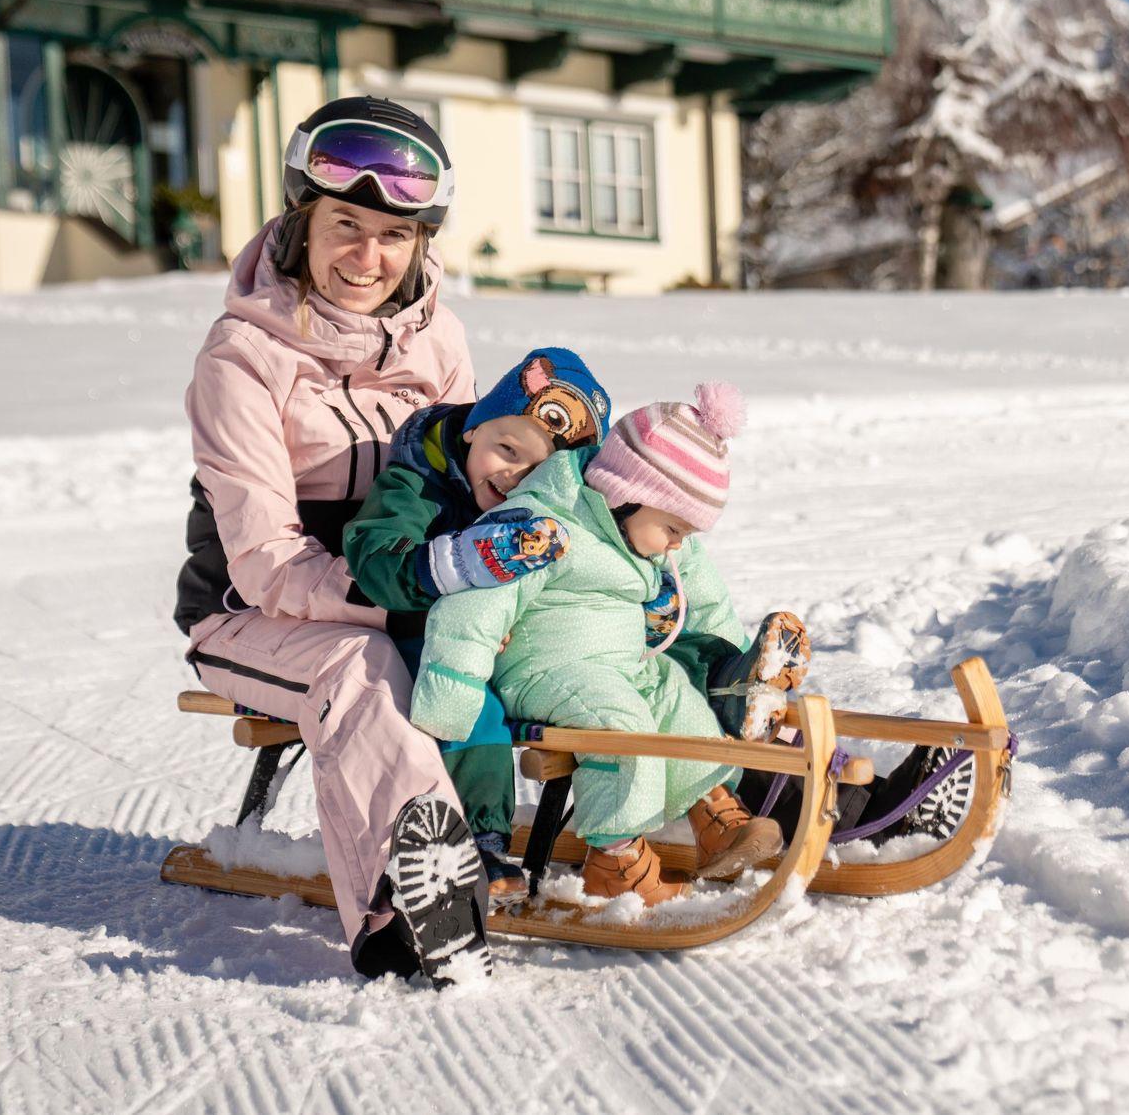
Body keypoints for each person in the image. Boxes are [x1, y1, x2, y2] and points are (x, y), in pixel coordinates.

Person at [174, 96, 491, 986]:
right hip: (250, 616)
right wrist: (399, 602)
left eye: (393, 235)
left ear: (419, 243)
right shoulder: (242, 357)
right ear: (302, 223)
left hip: (401, 594)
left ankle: (695, 807)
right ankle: (407, 906)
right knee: (361, 671)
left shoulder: (440, 343)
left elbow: (470, 483)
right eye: (346, 225)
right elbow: (265, 558)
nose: (367, 256)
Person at [404, 382, 810, 905]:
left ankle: (716, 816)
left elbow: (707, 601)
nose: (677, 543)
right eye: (673, 528)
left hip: (620, 666)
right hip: (543, 672)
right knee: (623, 727)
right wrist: (452, 689)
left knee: (676, 695)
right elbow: (473, 607)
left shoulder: (643, 537)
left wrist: (733, 658)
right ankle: (616, 862)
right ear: (626, 493)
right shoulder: (542, 524)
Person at [342, 346, 613, 897]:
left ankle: (649, 820)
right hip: (423, 634)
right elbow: (377, 562)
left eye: (538, 471)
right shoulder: (417, 484)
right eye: (507, 449)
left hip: (519, 649)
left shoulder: (550, 512)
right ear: (473, 428)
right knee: (470, 703)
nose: (513, 476)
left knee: (610, 683)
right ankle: (478, 840)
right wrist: (457, 572)